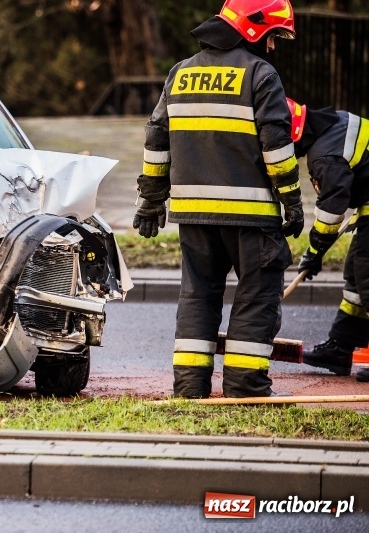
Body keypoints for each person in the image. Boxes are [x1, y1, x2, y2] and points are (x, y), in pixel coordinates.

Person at [134, 0, 303, 398]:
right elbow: (277, 147)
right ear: (253, 29)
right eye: (273, 36)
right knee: (257, 296)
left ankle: (190, 386)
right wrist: (292, 201)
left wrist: (152, 200)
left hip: (194, 217)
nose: (273, 47)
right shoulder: (261, 74)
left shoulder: (180, 73)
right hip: (252, 216)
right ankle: (245, 386)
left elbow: (156, 139)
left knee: (197, 295)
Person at [284, 99, 369, 381]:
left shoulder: (325, 155)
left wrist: (314, 252)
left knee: (367, 277)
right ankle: (340, 348)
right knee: (358, 278)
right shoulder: (336, 122)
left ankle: (340, 348)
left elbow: (331, 212)